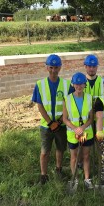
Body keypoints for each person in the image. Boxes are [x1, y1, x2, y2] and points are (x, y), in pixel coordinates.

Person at [31, 54, 72, 185]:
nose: (54, 70)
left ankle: (59, 170)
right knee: (44, 152)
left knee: (60, 149)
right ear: (47, 67)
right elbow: (40, 105)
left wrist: (59, 122)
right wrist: (50, 122)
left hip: (61, 125)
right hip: (46, 126)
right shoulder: (39, 84)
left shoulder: (67, 85)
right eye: (51, 67)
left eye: (56, 67)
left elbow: (69, 105)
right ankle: (43, 176)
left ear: (60, 67)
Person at [62, 72, 94, 189]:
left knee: (86, 156)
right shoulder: (67, 99)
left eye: (81, 84)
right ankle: (74, 179)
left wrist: (83, 127)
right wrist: (75, 128)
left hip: (86, 132)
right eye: (76, 84)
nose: (79, 87)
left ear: (85, 85)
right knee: (74, 156)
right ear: (73, 84)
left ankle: (87, 179)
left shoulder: (89, 98)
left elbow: (91, 118)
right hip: (72, 133)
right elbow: (64, 119)